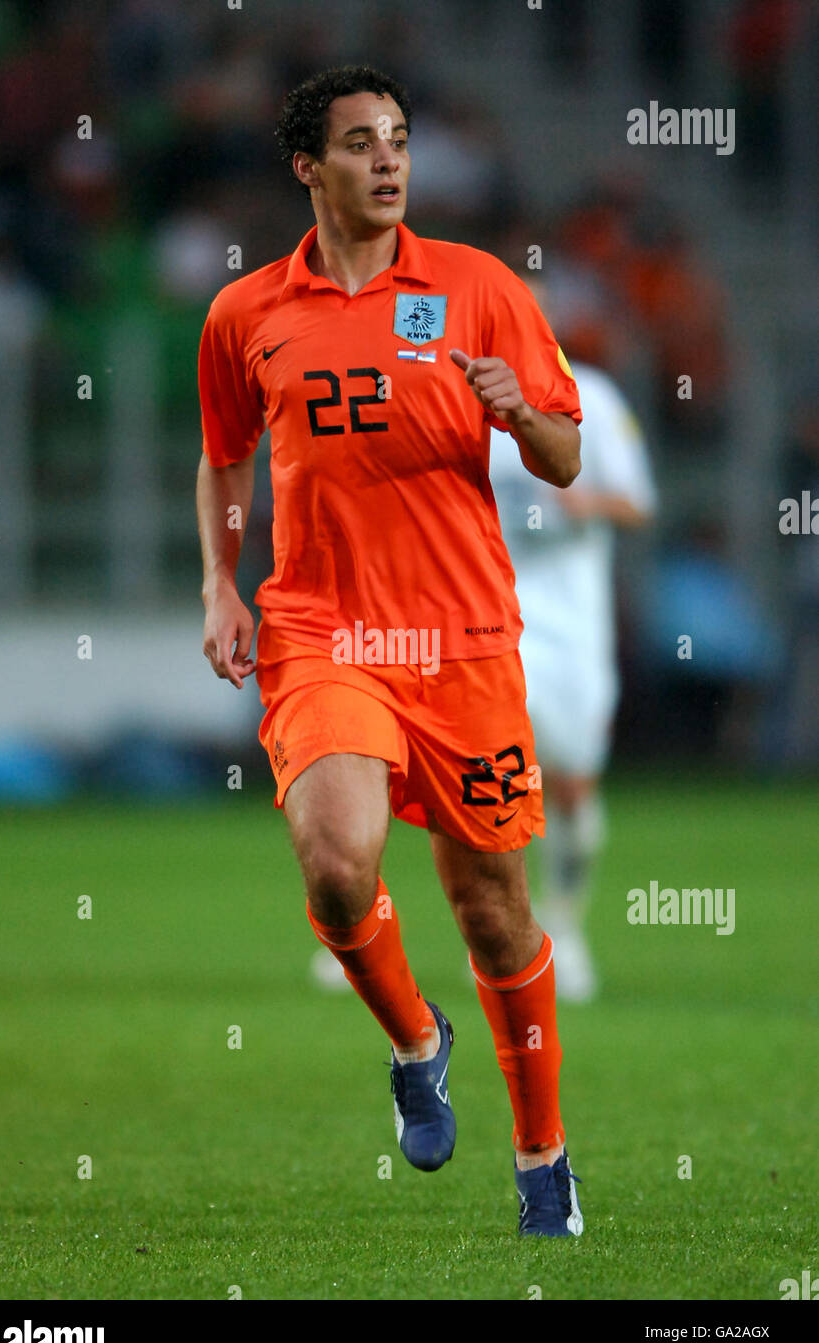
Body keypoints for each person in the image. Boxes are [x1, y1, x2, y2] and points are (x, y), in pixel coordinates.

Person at [196, 65, 584, 1236]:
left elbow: (563, 457)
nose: (388, 159)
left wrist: (518, 409)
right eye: (361, 142)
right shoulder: (246, 313)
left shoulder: (473, 288)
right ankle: (415, 1038)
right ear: (307, 165)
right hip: (324, 632)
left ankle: (541, 1161)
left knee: (491, 909)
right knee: (334, 863)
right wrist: (221, 581)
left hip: (461, 639)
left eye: (399, 140)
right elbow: (225, 458)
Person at [487, 308, 656, 1000]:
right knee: (480, 781)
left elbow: (638, 502)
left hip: (572, 629)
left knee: (573, 785)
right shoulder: (462, 395)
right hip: (488, 618)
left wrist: (585, 504)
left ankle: (567, 922)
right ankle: (361, 925)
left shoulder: (593, 394)